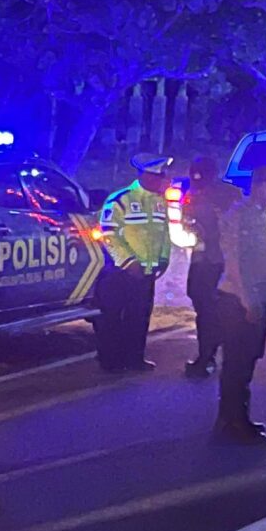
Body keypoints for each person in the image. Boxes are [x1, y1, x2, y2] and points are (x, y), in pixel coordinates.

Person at [214, 162, 266, 445]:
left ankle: (232, 418)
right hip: (239, 300)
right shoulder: (241, 215)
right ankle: (234, 421)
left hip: (257, 297)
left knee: (248, 360)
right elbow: (236, 262)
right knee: (238, 363)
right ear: (262, 186)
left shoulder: (261, 214)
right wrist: (248, 301)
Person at [94, 155, 173, 373]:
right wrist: (128, 262)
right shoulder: (120, 200)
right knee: (113, 317)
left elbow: (164, 234)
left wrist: (163, 259)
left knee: (139, 317)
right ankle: (111, 362)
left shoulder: (159, 202)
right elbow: (108, 235)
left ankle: (135, 359)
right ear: (146, 176)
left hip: (146, 272)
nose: (162, 180)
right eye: (158, 177)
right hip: (119, 272)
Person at [180, 157, 234, 379]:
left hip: (217, 260)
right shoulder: (198, 192)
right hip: (205, 259)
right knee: (205, 304)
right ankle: (211, 352)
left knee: (209, 309)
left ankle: (207, 356)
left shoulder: (222, 194)